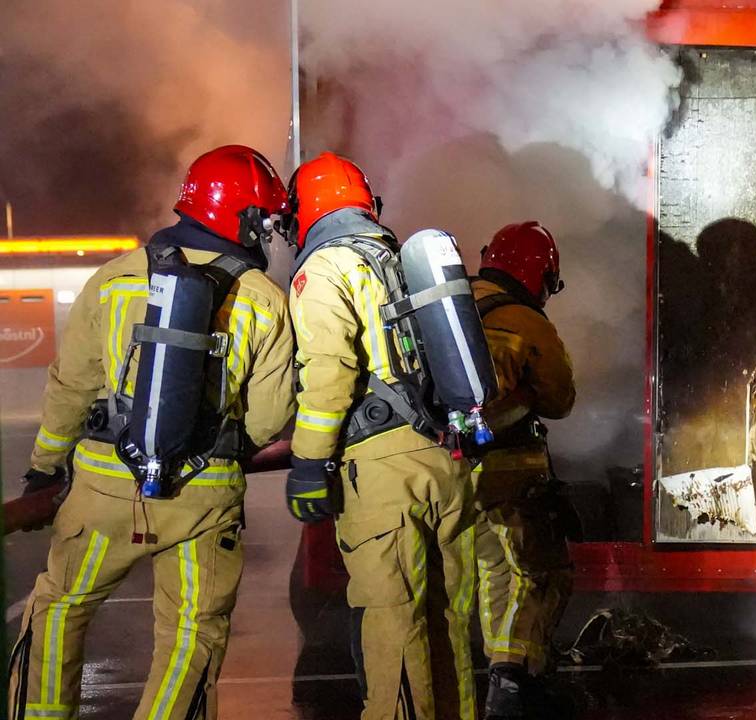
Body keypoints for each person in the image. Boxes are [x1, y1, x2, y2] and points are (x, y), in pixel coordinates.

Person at [8, 145, 295, 720]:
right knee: (192, 633)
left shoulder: (114, 278)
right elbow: (268, 416)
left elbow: (71, 385)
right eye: (264, 220)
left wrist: (45, 467)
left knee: (59, 607)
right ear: (241, 217)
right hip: (203, 498)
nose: (267, 232)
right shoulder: (265, 298)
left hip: (105, 489)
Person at [284, 151, 476, 720]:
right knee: (446, 622)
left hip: (382, 473)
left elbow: (329, 374)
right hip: (445, 461)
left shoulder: (325, 269)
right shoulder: (402, 260)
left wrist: (307, 464)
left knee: (392, 624)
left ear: (306, 211)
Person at [469, 221, 577, 719]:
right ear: (539, 275)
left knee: (495, 573)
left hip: (455, 471)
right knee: (541, 572)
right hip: (511, 469)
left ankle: (501, 678)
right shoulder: (526, 321)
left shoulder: (454, 303)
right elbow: (560, 399)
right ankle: (513, 681)